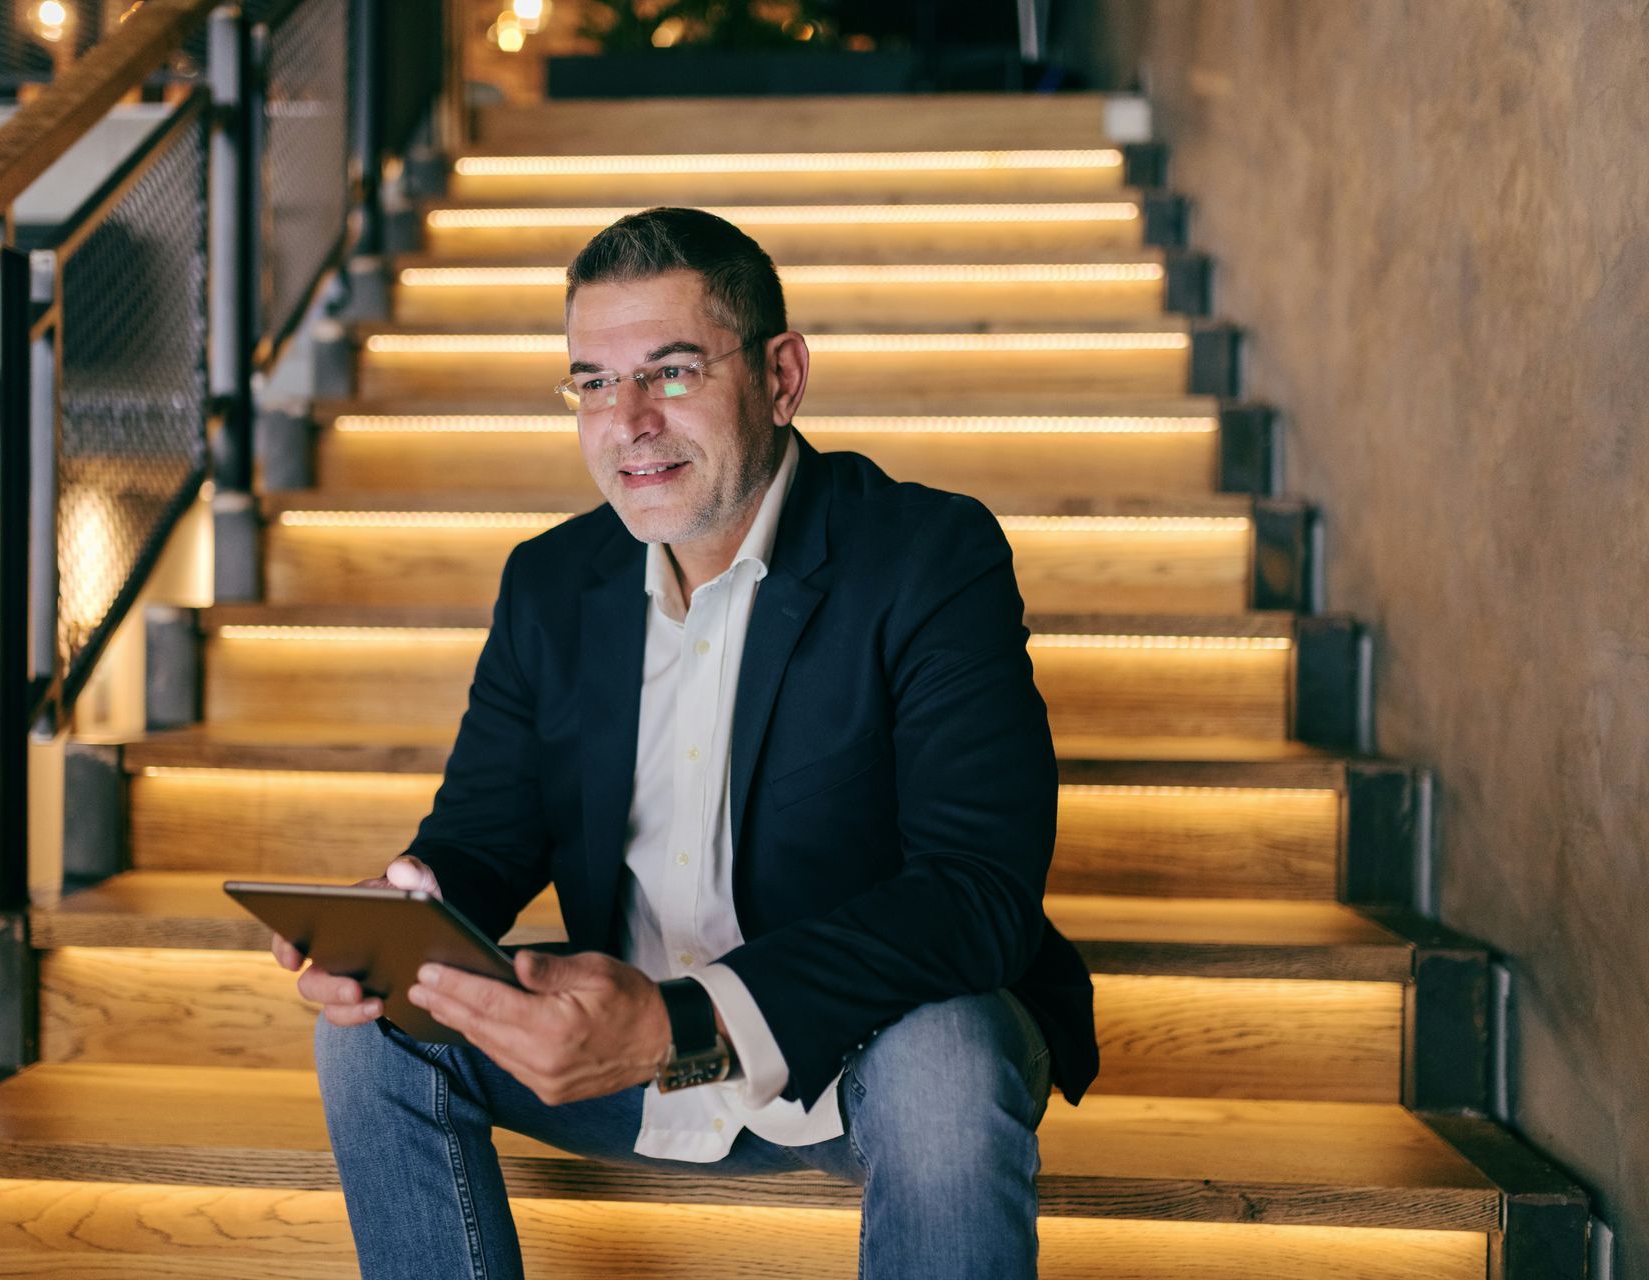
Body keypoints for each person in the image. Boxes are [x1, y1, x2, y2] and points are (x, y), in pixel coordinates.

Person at [273, 206, 1098, 1279]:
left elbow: (977, 892)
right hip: (628, 1061)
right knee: (370, 1027)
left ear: (781, 376)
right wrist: (403, 916)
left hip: (855, 1051)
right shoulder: (551, 581)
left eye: (670, 371)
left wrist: (684, 1020)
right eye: (594, 381)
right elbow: (482, 835)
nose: (629, 421)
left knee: (947, 1055)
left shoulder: (928, 554)